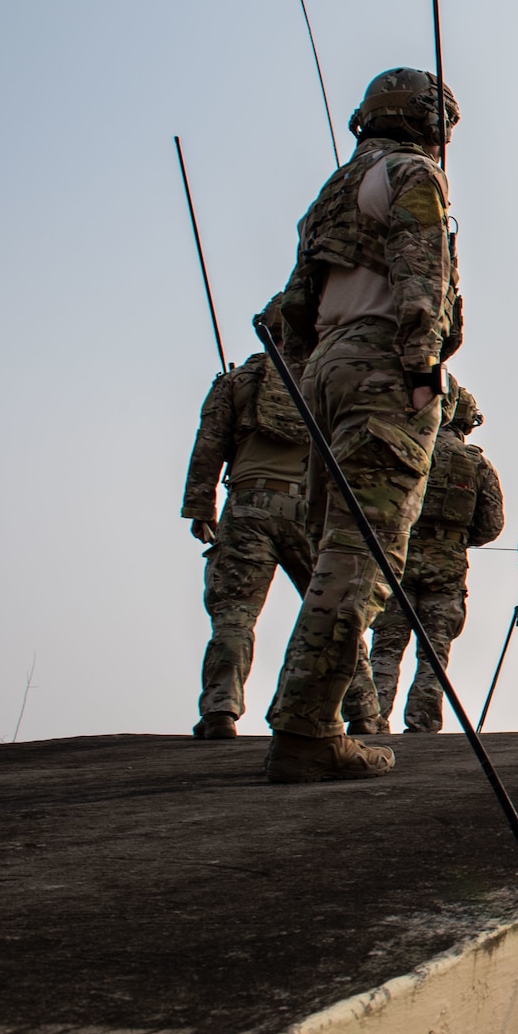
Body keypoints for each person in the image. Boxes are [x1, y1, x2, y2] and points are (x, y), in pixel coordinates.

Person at [259, 66, 463, 783]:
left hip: (324, 369)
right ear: (425, 119)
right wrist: (419, 363)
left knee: (334, 547)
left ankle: (305, 716)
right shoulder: (413, 175)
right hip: (380, 364)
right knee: (362, 552)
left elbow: (294, 304)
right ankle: (308, 728)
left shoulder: (333, 193)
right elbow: (421, 273)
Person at [181, 294, 313, 738]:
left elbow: (208, 448)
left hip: (248, 505)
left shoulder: (237, 382)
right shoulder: (326, 379)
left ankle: (221, 709)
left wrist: (200, 508)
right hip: (311, 512)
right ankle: (359, 713)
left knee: (235, 616)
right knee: (329, 612)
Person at [358, 382, 504, 733]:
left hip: (399, 557)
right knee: (434, 652)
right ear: (468, 422)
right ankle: (423, 722)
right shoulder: (477, 464)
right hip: (447, 566)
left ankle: (371, 719)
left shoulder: (408, 450)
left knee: (386, 648)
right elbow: (492, 525)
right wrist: (454, 538)